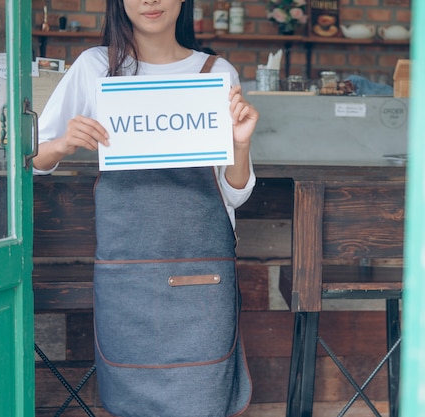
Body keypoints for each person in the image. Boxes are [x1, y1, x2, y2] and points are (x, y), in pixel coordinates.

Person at [33, 0, 259, 415]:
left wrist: (240, 145)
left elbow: (236, 193)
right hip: (128, 278)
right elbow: (34, 161)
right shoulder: (95, 67)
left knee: (202, 399)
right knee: (128, 400)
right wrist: (64, 143)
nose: (150, 1)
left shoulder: (216, 73)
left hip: (201, 277)